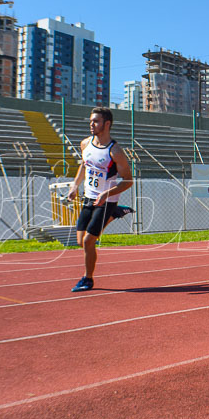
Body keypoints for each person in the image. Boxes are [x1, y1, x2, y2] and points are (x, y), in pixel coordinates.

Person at [66, 107, 134, 292]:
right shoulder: (85, 144)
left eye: (95, 121)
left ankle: (88, 279)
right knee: (80, 241)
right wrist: (75, 186)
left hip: (107, 201)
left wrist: (107, 194)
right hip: (89, 198)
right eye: (90, 121)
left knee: (89, 241)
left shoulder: (115, 151)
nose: (91, 124)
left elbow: (128, 181)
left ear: (107, 124)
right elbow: (83, 165)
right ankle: (116, 214)